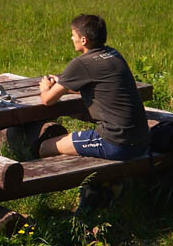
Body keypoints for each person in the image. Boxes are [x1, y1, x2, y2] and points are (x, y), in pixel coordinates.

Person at [36, 14, 149, 160]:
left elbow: (47, 100)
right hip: (142, 140)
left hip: (115, 142)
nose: (71, 39)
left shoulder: (81, 63)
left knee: (46, 147)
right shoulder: (113, 54)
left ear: (84, 40)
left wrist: (46, 88)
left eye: (73, 35)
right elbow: (97, 86)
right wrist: (63, 84)